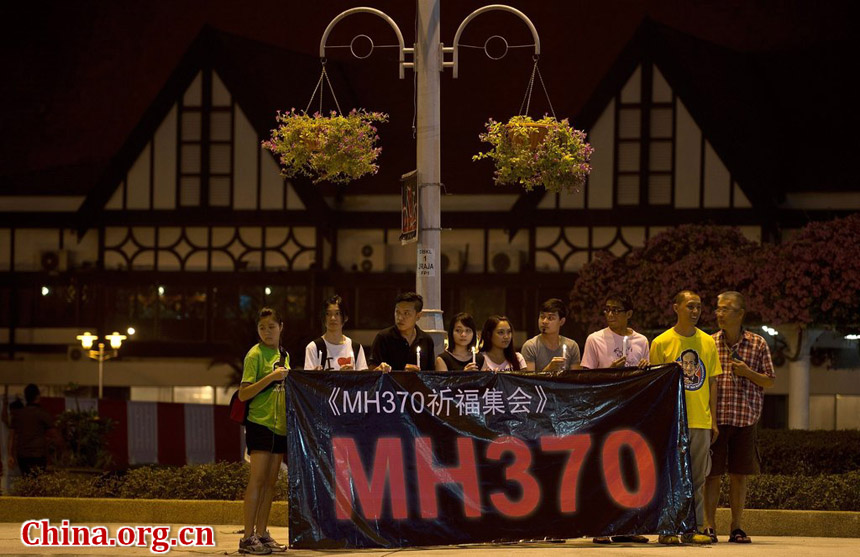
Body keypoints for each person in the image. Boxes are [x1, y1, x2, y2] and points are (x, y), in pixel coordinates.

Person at [649, 290, 722, 545]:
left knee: (698, 477)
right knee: (671, 475)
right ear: (676, 307)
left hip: (700, 420)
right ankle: (668, 528)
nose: (695, 311)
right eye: (690, 306)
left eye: (699, 307)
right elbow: (655, 385)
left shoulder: (708, 342)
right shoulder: (661, 342)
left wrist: (712, 418)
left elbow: (712, 382)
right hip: (672, 421)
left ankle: (696, 526)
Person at [704, 291, 775, 544]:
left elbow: (769, 380)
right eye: (718, 308)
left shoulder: (757, 343)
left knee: (739, 474)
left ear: (740, 313)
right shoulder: (709, 342)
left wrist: (747, 372)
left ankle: (737, 526)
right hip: (716, 417)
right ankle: (709, 526)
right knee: (711, 475)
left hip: (745, 417)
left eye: (726, 309)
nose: (719, 313)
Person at [237, 308, 289, 554]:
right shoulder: (254, 355)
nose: (267, 331)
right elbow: (243, 393)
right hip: (260, 423)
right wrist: (271, 377)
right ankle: (247, 538)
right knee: (257, 481)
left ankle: (262, 533)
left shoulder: (284, 354)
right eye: (262, 328)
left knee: (270, 483)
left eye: (271, 326)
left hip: (281, 427)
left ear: (281, 326)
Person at [368, 292, 435, 371]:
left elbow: (431, 374)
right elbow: (372, 370)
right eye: (397, 312)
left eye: (406, 313)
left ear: (418, 316)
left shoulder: (426, 340)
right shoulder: (384, 337)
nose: (400, 318)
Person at [580, 294, 650, 370]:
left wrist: (644, 367)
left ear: (629, 314)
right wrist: (611, 371)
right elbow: (586, 377)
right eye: (607, 310)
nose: (610, 315)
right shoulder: (594, 340)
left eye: (615, 310)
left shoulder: (641, 341)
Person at [304, 295, 368, 371]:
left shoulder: (356, 348)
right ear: (323, 318)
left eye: (337, 313)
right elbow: (307, 380)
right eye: (328, 314)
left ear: (345, 317)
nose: (333, 318)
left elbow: (363, 380)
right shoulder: (313, 347)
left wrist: (351, 376)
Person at [522, 298, 581, 372]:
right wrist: (549, 369)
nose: (544, 321)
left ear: (561, 321)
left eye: (550, 318)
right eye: (542, 317)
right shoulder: (530, 346)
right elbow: (529, 380)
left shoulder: (572, 346)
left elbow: (575, 379)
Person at [8, 384, 54, 478]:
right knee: (37, 483)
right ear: (38, 396)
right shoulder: (42, 414)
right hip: (38, 455)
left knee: (26, 481)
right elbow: (53, 433)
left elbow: (11, 437)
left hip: (22, 455)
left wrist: (10, 455)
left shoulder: (18, 415)